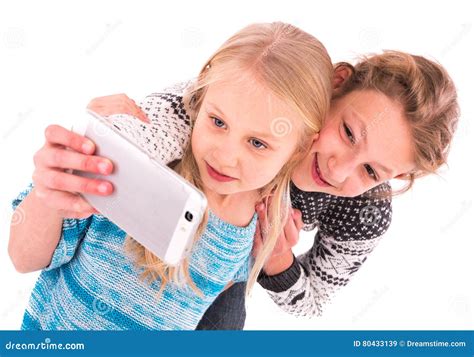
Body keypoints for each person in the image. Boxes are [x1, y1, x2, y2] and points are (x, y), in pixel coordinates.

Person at [87, 50, 459, 329]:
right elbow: (165, 124)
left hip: (231, 267)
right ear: (336, 83)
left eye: (371, 171)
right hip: (154, 226)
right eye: (347, 133)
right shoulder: (263, 95)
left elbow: (314, 300)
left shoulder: (364, 211)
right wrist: (114, 133)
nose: (338, 169)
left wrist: (278, 262)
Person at [8, 22, 334, 330]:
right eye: (218, 122)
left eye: (258, 143)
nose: (224, 156)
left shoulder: (258, 224)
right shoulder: (135, 163)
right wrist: (48, 188)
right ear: (201, 97)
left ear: (300, 149)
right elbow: (23, 257)